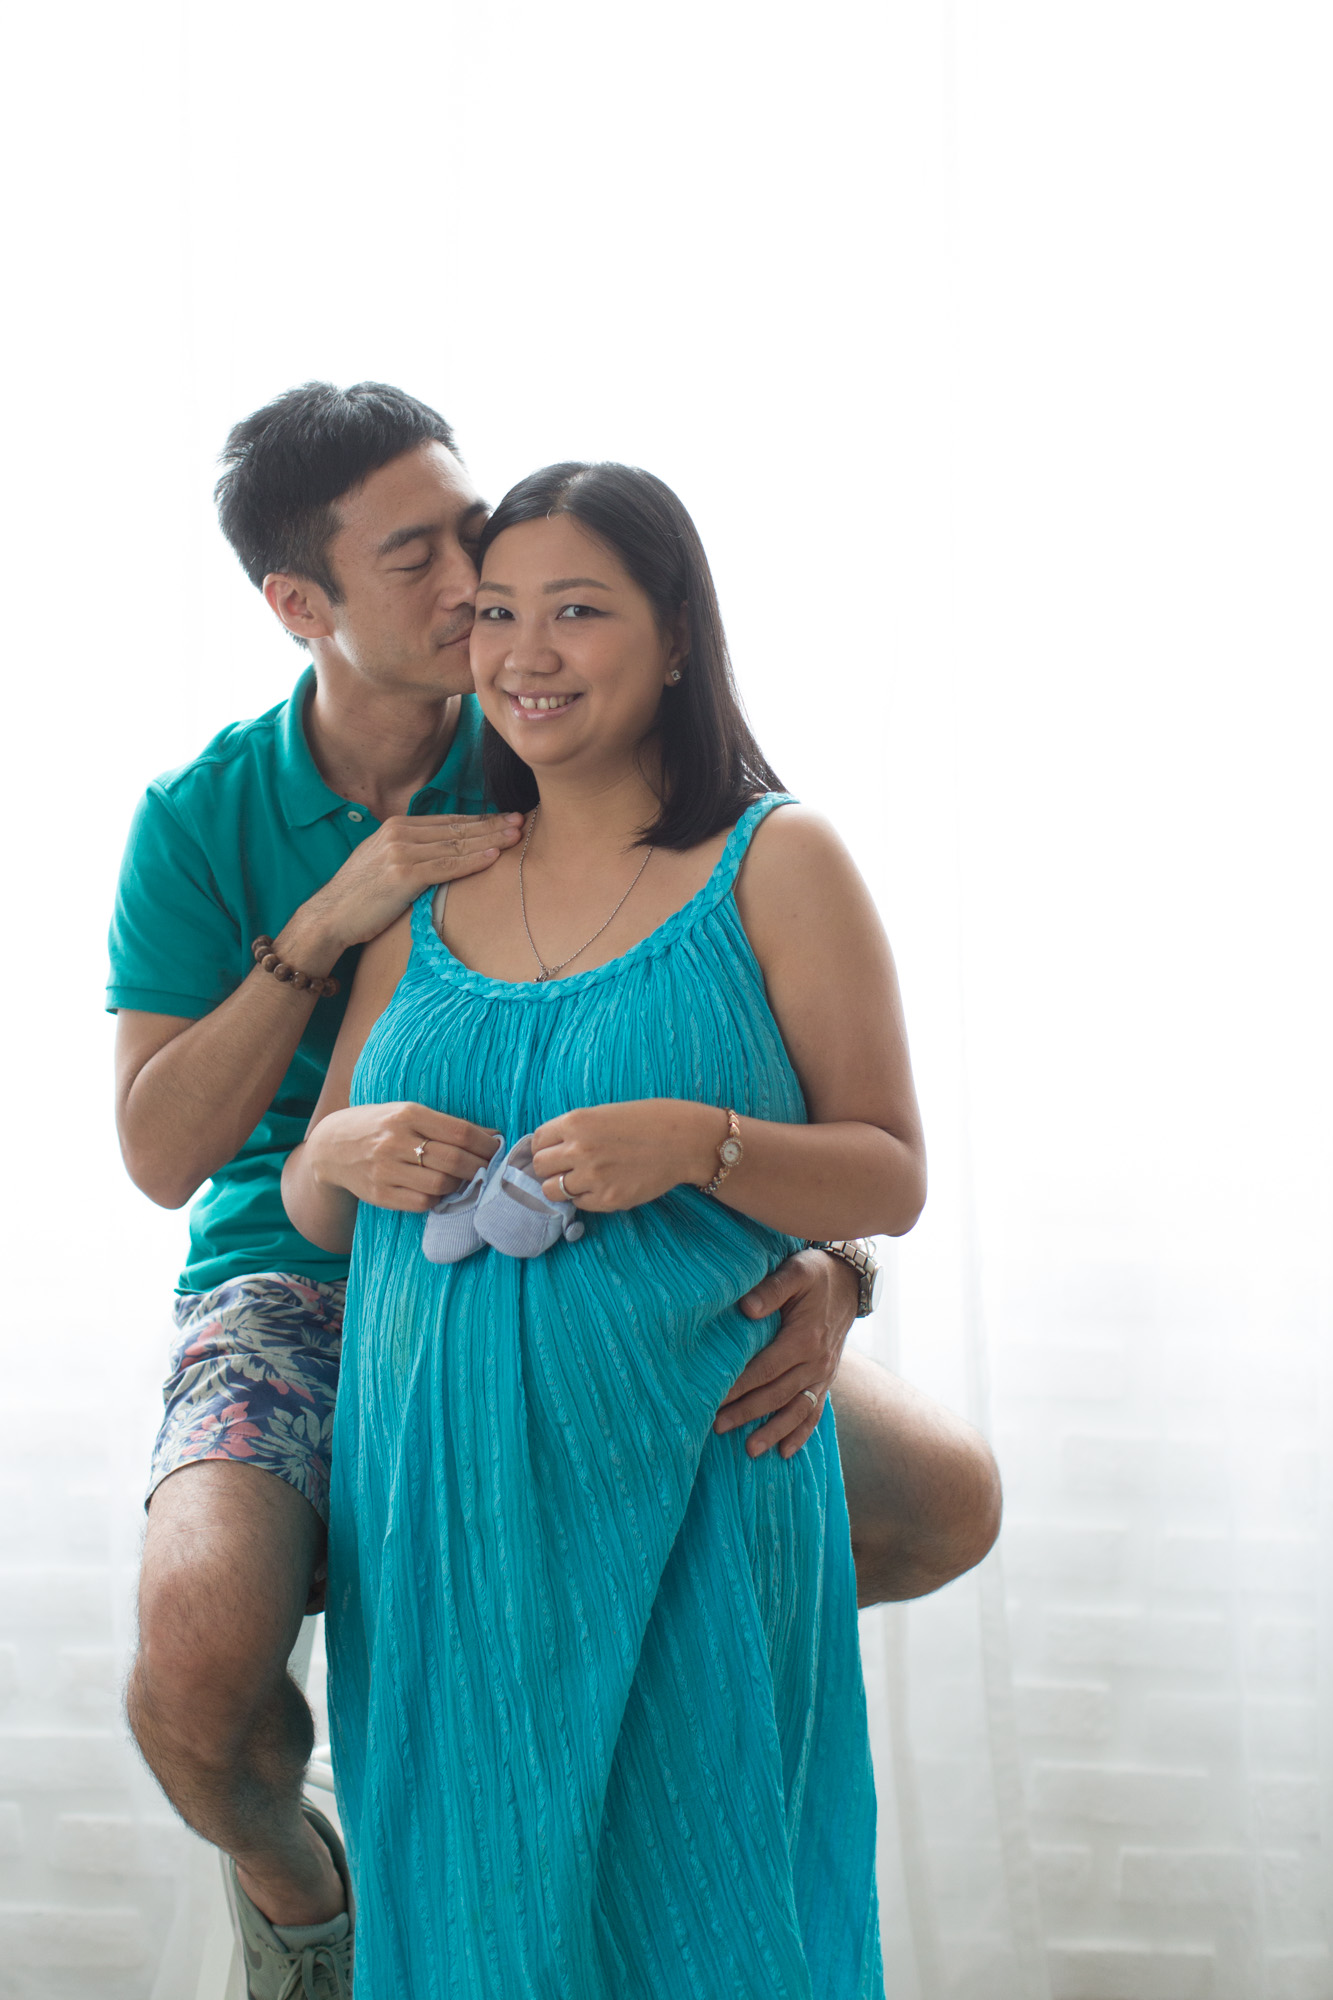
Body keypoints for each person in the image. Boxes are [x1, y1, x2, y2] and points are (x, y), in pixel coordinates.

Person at [109, 384, 999, 1996]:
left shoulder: (558, 743)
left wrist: (825, 1264)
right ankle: (306, 1898)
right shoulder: (213, 822)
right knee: (198, 1665)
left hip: (635, 1306)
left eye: (490, 549)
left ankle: (637, 1649)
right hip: (296, 1283)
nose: (481, 602)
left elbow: (836, 1122)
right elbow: (172, 1159)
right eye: (428, 564)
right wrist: (330, 929)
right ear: (302, 605)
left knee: (942, 1495)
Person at [282, 460, 930, 1995]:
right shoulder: (439, 880)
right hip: (438, 1517)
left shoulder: (775, 861)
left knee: (698, 1907)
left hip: (688, 1495)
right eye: (496, 613)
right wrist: (341, 1146)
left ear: (678, 634)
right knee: (469, 1919)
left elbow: (888, 1175)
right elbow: (318, 1201)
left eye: (576, 611)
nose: (526, 653)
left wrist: (704, 1144)